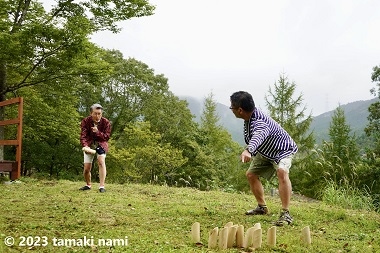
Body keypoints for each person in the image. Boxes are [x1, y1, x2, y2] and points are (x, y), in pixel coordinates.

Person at [229, 91, 298, 226]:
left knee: (282, 172)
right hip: (266, 151)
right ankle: (262, 207)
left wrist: (249, 150)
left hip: (283, 150)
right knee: (251, 174)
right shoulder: (249, 116)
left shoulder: (259, 121)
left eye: (232, 107)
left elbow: (259, 135)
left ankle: (286, 213)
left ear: (240, 110)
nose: (231, 110)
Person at [79, 103, 111, 193]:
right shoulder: (85, 121)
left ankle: (102, 186)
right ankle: (88, 185)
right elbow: (83, 136)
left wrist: (98, 132)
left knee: (101, 162)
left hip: (101, 144)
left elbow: (106, 137)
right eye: (95, 113)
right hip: (89, 145)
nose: (97, 115)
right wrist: (85, 145)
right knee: (86, 169)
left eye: (99, 113)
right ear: (91, 113)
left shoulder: (106, 122)